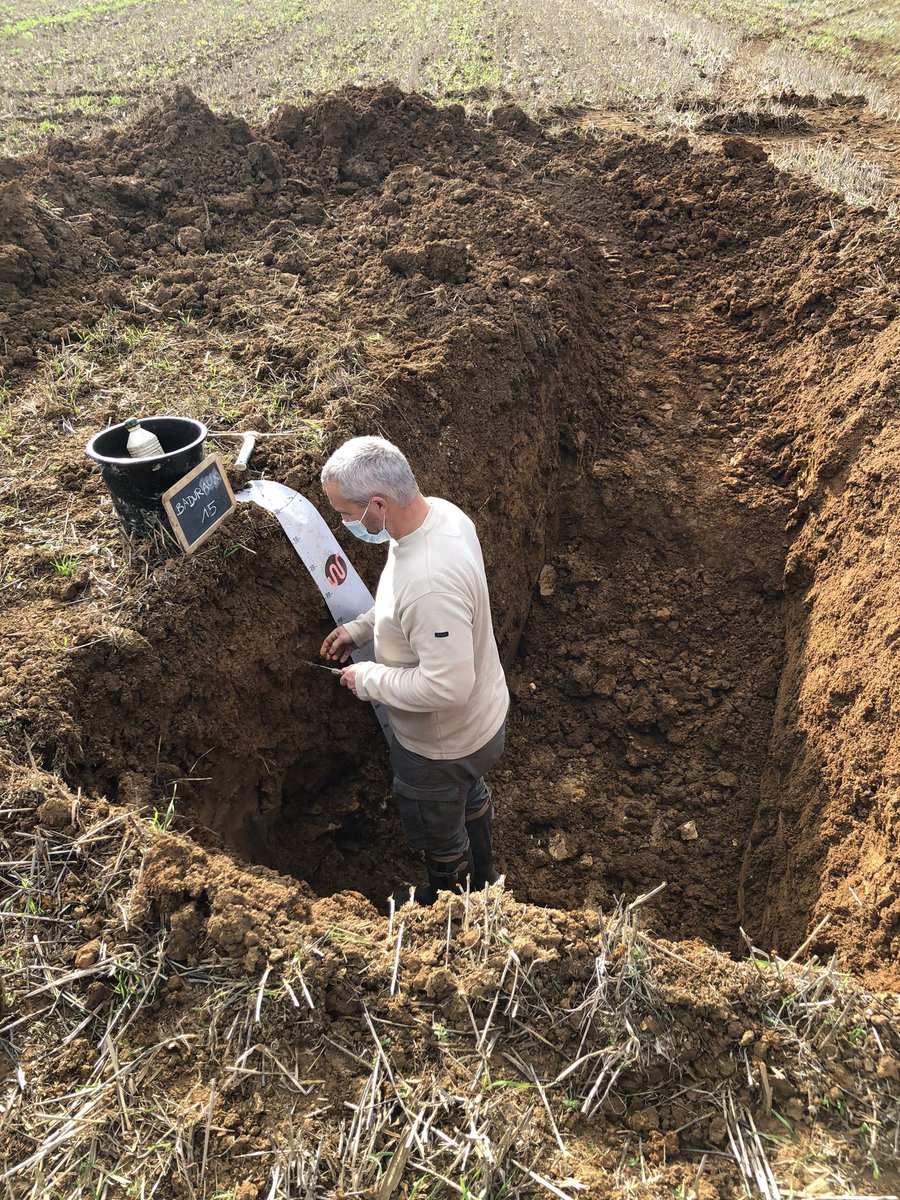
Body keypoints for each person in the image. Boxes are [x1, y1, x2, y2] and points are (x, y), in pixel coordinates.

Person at [319, 435, 509, 904]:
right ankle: (483, 877)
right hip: (482, 725)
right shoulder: (440, 516)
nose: (343, 522)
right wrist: (363, 629)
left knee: (439, 835)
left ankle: (453, 911)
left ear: (379, 505)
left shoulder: (428, 581)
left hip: (441, 747)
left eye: (345, 513)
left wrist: (370, 680)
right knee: (469, 794)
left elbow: (447, 686)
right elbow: (407, 604)